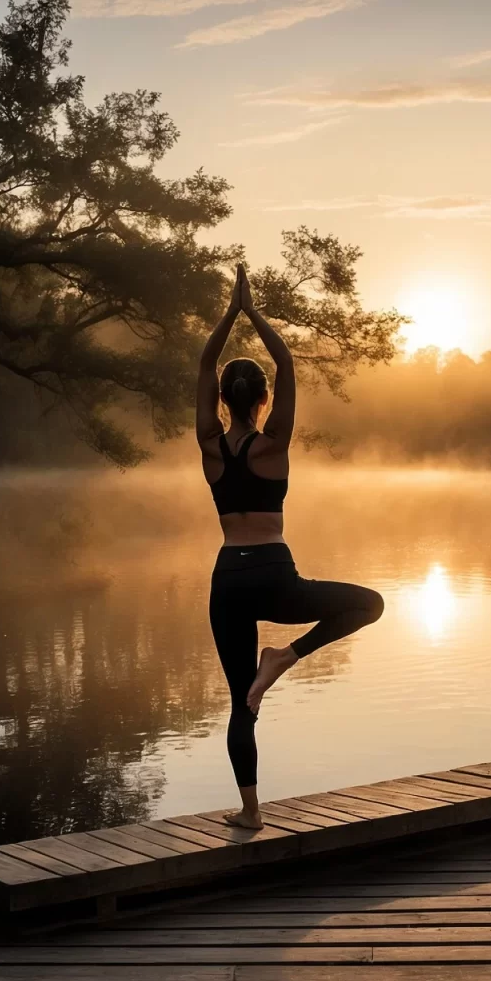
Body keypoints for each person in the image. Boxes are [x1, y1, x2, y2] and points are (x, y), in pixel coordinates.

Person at [196, 265, 384, 830]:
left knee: (239, 703)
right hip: (276, 576)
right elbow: (288, 364)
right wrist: (254, 311)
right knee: (369, 604)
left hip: (228, 578)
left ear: (224, 398)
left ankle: (251, 812)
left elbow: (206, 365)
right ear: (264, 399)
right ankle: (282, 660)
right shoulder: (272, 446)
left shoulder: (209, 446)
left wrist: (229, 312)